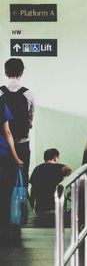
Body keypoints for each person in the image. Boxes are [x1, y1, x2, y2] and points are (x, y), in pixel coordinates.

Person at [1, 58, 35, 187]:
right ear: (21, 73)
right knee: (22, 178)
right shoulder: (29, 94)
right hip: (22, 144)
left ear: (5, 73)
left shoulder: (0, 92)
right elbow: (30, 120)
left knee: (3, 181)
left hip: (3, 145)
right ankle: (21, 206)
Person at [0, 97, 24, 239]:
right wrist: (16, 157)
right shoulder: (1, 103)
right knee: (3, 191)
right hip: (2, 155)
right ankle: (3, 226)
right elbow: (7, 132)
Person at [29, 148, 72, 214]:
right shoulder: (59, 167)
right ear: (55, 157)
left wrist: (32, 205)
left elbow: (33, 189)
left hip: (41, 208)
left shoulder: (37, 169)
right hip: (57, 206)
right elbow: (70, 171)